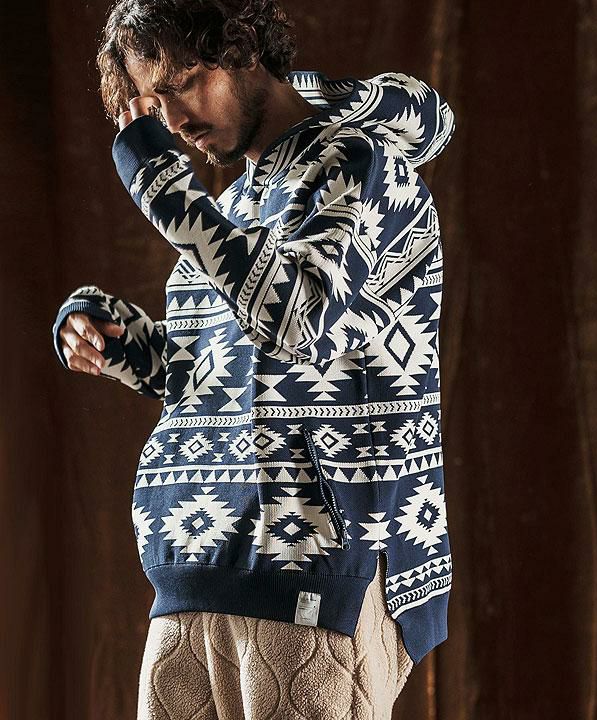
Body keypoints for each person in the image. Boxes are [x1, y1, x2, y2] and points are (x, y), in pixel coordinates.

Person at [52, 0, 456, 717]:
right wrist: (112, 337)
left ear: (240, 47)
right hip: (193, 572)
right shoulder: (235, 203)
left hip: (314, 572)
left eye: (181, 85)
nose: (172, 122)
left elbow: (296, 321)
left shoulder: (358, 164)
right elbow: (206, 375)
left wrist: (165, 196)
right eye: (152, 103)